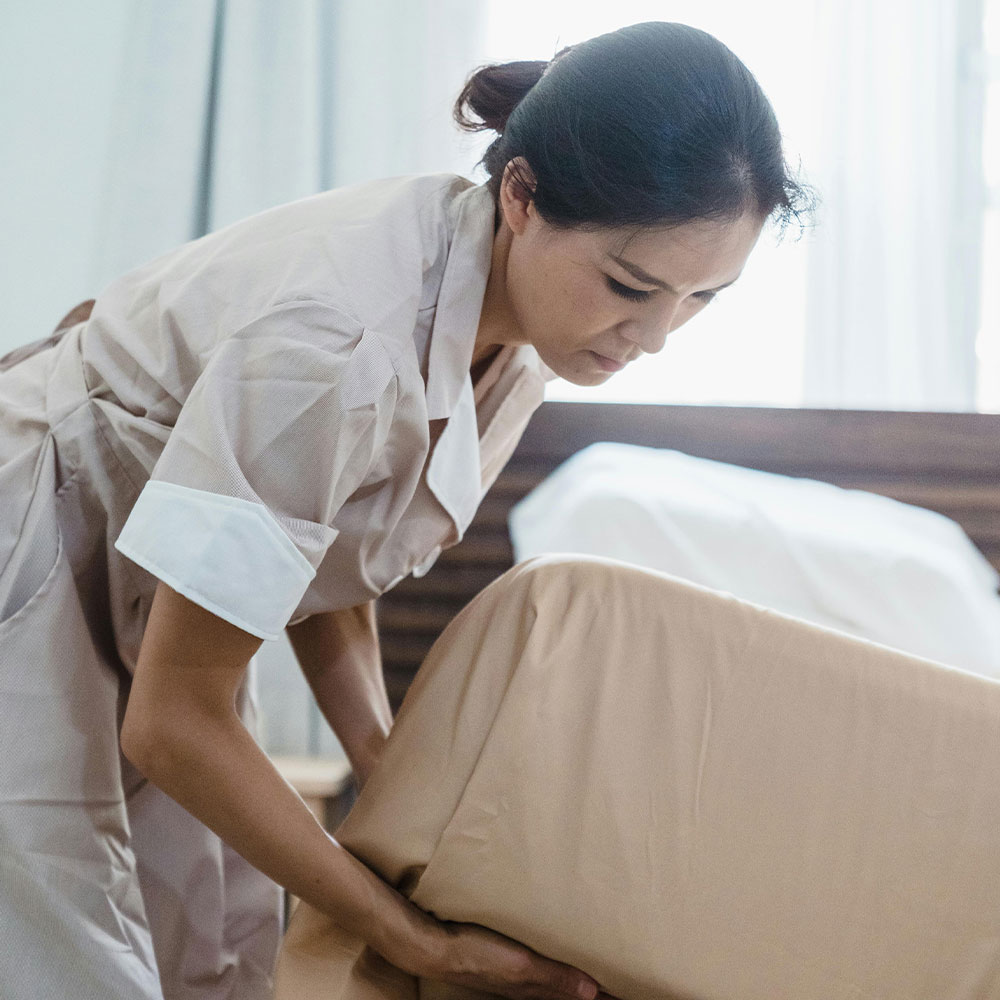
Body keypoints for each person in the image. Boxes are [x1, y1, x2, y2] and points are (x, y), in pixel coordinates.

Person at [0, 20, 809, 1000]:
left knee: (211, 950)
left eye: (701, 297)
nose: (654, 336)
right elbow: (174, 721)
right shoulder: (335, 341)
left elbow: (332, 548)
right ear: (522, 197)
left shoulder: (522, 336)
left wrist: (387, 771)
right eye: (629, 285)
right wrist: (412, 939)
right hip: (33, 536)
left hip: (144, 580)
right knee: (67, 951)